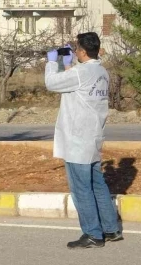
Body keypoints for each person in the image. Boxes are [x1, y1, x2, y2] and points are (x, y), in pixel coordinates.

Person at [45, 32, 123, 249]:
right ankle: (111, 229)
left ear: (82, 51)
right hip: (92, 136)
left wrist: (52, 62)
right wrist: (68, 65)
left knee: (81, 188)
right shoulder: (100, 71)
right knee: (97, 183)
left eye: (76, 48)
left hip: (77, 139)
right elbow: (76, 83)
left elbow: (52, 83)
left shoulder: (81, 73)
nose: (75, 50)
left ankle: (92, 234)